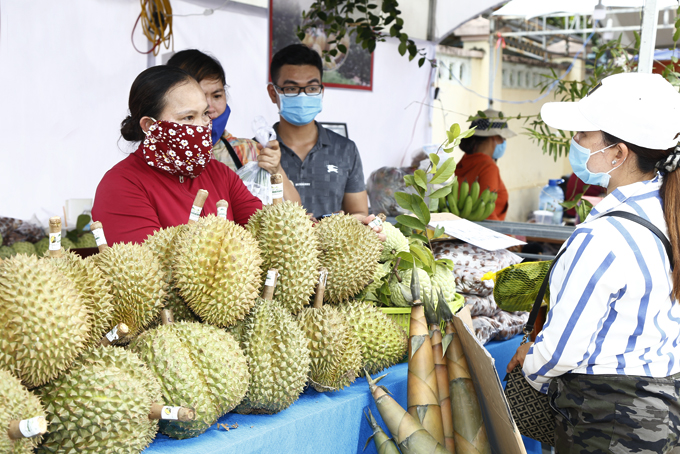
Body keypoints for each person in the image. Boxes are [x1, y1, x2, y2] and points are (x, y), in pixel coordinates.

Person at [507, 72, 680, 452]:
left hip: (608, 423)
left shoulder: (604, 236)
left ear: (618, 154)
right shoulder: (667, 212)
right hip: (665, 413)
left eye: (584, 135)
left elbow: (562, 349)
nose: (575, 143)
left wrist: (530, 367)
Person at [91, 65, 262, 244]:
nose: (202, 126)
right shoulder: (121, 185)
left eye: (204, 114)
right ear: (150, 126)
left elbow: (264, 233)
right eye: (188, 118)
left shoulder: (220, 174)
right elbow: (144, 265)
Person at [166, 49, 300, 204]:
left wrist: (276, 169)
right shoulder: (159, 158)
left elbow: (294, 211)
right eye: (200, 96)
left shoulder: (248, 151)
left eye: (217, 96)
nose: (210, 108)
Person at [266, 44, 368, 220]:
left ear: (321, 92)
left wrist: (328, 224)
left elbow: (360, 214)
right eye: (291, 88)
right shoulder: (259, 151)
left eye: (312, 88)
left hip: (333, 246)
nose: (303, 95)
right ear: (273, 93)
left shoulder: (345, 150)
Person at [455, 108, 515, 220]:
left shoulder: (465, 161)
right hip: (487, 233)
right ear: (495, 138)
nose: (504, 142)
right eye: (503, 138)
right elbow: (487, 213)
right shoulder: (488, 167)